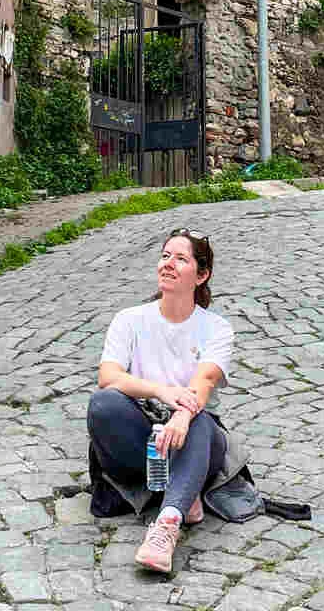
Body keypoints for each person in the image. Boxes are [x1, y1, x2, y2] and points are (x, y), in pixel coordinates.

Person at [86, 227, 234, 573]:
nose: (168, 264)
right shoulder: (130, 320)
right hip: (142, 438)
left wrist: (181, 414)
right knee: (102, 404)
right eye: (165, 255)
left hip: (196, 439)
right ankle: (184, 486)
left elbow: (205, 380)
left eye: (181, 259)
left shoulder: (216, 328)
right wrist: (162, 391)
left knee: (197, 416)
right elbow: (108, 376)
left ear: (202, 275)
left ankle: (167, 525)